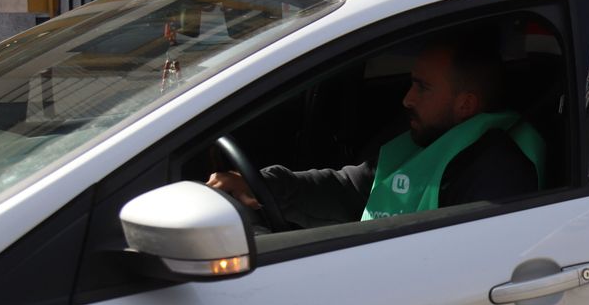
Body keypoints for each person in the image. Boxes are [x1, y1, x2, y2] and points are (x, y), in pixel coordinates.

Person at [208, 33, 543, 227]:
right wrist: (260, 185)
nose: (407, 99)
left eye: (422, 87)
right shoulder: (425, 137)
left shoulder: (498, 175)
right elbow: (350, 189)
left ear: (465, 105)